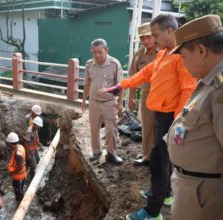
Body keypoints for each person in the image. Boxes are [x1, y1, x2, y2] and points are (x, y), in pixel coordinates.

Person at [100, 14, 197, 220]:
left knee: (159, 160)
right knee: (165, 157)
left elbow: (187, 90)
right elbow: (144, 73)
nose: (152, 39)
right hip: (162, 113)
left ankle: (153, 211)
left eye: (155, 34)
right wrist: (120, 87)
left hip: (172, 116)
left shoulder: (182, 55)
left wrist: (178, 123)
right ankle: (166, 193)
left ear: (170, 31)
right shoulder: (164, 53)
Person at [167, 14, 223, 220]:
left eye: (183, 56)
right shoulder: (208, 82)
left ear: (201, 50)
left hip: (205, 194)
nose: (183, 63)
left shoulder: (219, 89)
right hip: (193, 186)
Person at [81, 38, 123, 165]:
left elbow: (121, 85)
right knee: (94, 128)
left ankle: (111, 154)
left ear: (106, 50)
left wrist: (120, 103)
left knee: (111, 129)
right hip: (93, 102)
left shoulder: (114, 64)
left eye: (100, 52)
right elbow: (87, 84)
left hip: (109, 102)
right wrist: (83, 100)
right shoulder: (89, 64)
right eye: (94, 52)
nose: (97, 55)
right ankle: (96, 152)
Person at [129, 23, 158, 166]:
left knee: (164, 128)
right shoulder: (139, 55)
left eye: (148, 37)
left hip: (167, 97)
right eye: (142, 38)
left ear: (154, 36)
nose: (146, 41)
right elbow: (132, 78)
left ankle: (164, 159)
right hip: (147, 96)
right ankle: (147, 156)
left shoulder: (166, 52)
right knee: (147, 127)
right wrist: (130, 99)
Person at [6, 132, 26, 202]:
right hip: (20, 175)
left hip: (18, 176)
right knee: (18, 188)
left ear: (10, 143)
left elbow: (19, 167)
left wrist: (12, 172)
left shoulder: (18, 154)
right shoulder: (20, 147)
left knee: (19, 191)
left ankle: (20, 203)